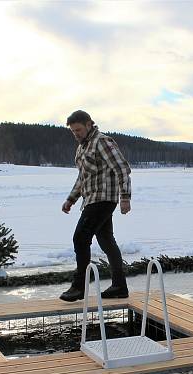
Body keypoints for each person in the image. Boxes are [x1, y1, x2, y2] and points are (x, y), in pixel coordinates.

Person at [60, 110, 132, 302]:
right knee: (106, 240)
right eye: (73, 131)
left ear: (89, 124)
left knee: (80, 238)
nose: (76, 134)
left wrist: (125, 197)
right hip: (90, 199)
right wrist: (71, 199)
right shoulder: (82, 148)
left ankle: (78, 287)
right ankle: (119, 286)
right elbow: (82, 178)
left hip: (103, 199)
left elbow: (122, 169)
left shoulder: (102, 142)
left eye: (79, 130)